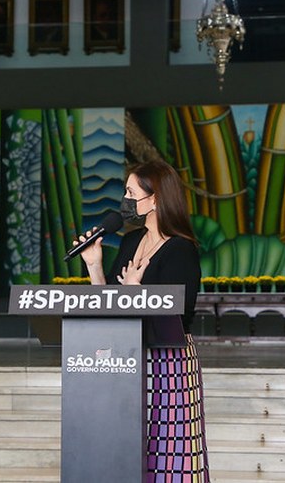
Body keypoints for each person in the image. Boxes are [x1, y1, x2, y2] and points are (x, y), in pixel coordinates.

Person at [75, 159, 209, 483]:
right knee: (128, 447)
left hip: (170, 360)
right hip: (128, 356)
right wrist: (94, 265)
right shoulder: (130, 241)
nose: (125, 200)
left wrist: (138, 293)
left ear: (155, 199)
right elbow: (109, 303)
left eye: (131, 193)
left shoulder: (181, 249)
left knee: (171, 449)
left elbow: (180, 313)